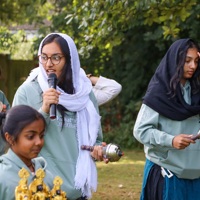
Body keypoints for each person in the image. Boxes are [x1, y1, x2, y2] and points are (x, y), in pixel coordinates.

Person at [12, 33, 109, 200]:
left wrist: (98, 150)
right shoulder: (28, 91)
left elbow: (96, 140)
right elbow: (16, 138)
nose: (48, 64)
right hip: (42, 190)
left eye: (56, 58)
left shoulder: (85, 94)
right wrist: (43, 109)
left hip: (78, 190)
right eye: (44, 57)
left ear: (69, 60)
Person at [133, 39, 200, 200]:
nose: (193, 66)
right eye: (187, 61)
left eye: (196, 61)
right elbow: (140, 131)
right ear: (175, 61)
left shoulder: (197, 91)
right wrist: (171, 140)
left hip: (195, 175)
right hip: (168, 174)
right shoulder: (159, 93)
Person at [0, 104, 54, 200]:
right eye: (30, 136)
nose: (39, 142)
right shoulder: (2, 176)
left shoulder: (46, 174)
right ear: (10, 138)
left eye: (41, 136)